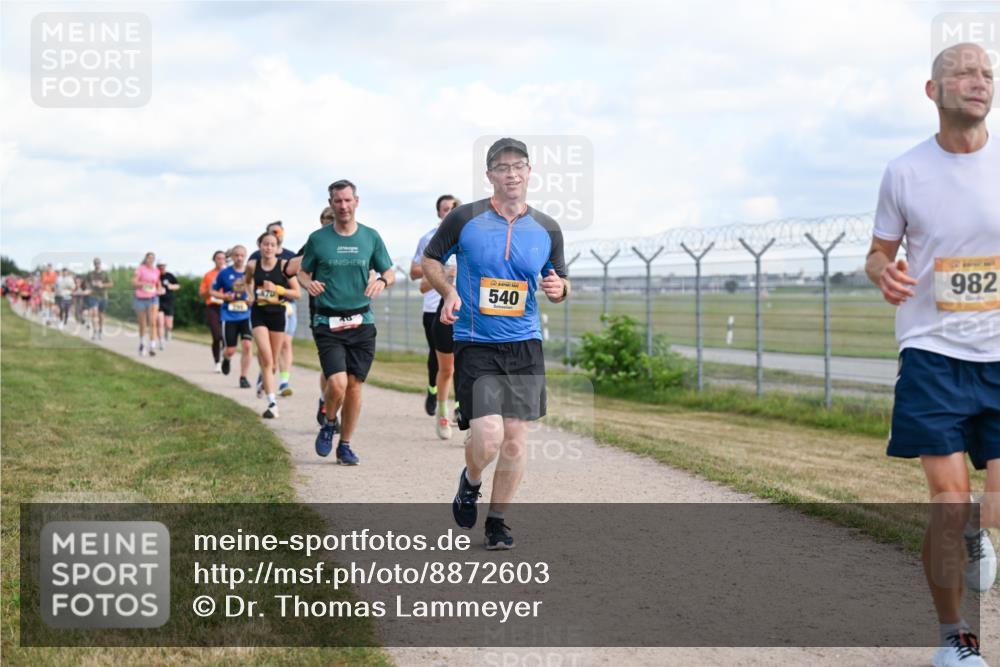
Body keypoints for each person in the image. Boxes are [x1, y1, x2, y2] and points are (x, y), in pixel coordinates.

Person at [867, 43, 998, 667]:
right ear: (933, 90)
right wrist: (881, 273)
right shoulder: (904, 172)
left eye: (988, 73)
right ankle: (955, 639)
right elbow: (877, 252)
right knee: (948, 502)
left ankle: (981, 527)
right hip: (932, 353)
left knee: (988, 506)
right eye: (965, 72)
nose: (980, 82)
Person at [423, 138, 570, 549]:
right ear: (490, 175)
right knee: (487, 437)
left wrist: (560, 288)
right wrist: (449, 291)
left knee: (516, 438)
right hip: (475, 340)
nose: (511, 173)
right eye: (502, 167)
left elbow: (559, 280)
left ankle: (498, 521)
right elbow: (433, 259)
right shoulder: (464, 219)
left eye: (518, 166)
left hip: (524, 342)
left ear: (529, 172)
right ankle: (470, 481)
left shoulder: (547, 228)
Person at [299, 179, 394, 465]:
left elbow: (389, 271)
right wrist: (308, 283)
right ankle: (329, 422)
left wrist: (381, 280)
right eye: (337, 201)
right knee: (337, 383)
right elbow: (302, 272)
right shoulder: (318, 239)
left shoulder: (370, 237)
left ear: (356, 201)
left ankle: (346, 445)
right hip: (328, 322)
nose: (343, 206)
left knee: (354, 386)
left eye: (347, 200)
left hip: (361, 321)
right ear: (331, 204)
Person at [285, 207, 342, 429]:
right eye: (327, 221)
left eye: (334, 221)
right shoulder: (313, 243)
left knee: (344, 370)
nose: (331, 225)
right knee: (330, 367)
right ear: (321, 222)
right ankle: (325, 404)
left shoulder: (350, 241)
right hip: (321, 312)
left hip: (349, 312)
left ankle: (328, 402)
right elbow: (293, 270)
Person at [411, 194, 460, 436]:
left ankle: (463, 410)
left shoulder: (471, 237)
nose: (450, 212)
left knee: (468, 365)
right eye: (446, 208)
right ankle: (436, 399)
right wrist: (442, 272)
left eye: (454, 208)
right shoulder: (429, 240)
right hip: (435, 308)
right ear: (439, 212)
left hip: (468, 312)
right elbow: (416, 278)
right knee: (443, 364)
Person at [246, 232, 301, 418]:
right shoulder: (253, 265)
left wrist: (277, 289)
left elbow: (297, 293)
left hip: (278, 314)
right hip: (259, 314)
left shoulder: (284, 266)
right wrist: (250, 295)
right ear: (259, 246)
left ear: (277, 248)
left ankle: (264, 380)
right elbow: (247, 283)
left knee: (274, 363)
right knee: (267, 358)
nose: (268, 247)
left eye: (272, 244)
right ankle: (272, 404)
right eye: (265, 244)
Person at [212, 245, 254, 387]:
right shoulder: (224, 273)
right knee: (231, 350)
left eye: (242, 255)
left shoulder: (250, 273)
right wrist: (224, 296)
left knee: (247, 345)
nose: (239, 258)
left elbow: (256, 292)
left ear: (245, 256)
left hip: (245, 315)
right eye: (236, 255)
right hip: (229, 316)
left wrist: (251, 298)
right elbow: (212, 291)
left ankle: (243, 377)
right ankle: (226, 358)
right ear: (232, 257)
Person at [199, 251, 227, 372]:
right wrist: (209, 291)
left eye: (222, 258)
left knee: (226, 337)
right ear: (214, 260)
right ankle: (217, 361)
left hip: (227, 307)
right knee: (217, 336)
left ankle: (225, 358)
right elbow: (202, 293)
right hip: (212, 307)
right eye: (218, 258)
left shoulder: (229, 274)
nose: (220, 261)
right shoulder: (208, 275)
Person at [132, 252, 161, 356]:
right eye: (149, 258)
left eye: (153, 258)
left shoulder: (156, 271)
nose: (151, 260)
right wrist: (144, 284)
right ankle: (142, 343)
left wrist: (160, 289)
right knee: (142, 323)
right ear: (146, 259)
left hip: (153, 298)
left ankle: (152, 346)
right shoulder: (140, 269)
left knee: (153, 322)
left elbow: (158, 283)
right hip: (140, 298)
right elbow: (133, 283)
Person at [85, 257, 112, 341]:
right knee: (94, 313)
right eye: (95, 263)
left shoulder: (105, 274)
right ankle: (95, 331)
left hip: (103, 296)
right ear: (94, 264)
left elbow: (111, 284)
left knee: (101, 315)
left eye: (98, 263)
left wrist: (102, 285)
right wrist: (89, 287)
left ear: (100, 264)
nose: (97, 265)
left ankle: (100, 330)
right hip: (93, 295)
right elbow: (86, 282)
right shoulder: (90, 274)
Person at [156, 261, 180, 349]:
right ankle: (161, 341)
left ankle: (168, 331)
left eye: (163, 266)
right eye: (160, 266)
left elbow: (178, 285)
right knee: (160, 323)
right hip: (158, 302)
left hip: (169, 302)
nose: (162, 267)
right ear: (157, 267)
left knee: (169, 324)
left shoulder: (169, 275)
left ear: (165, 266)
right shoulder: (155, 276)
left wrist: (171, 286)